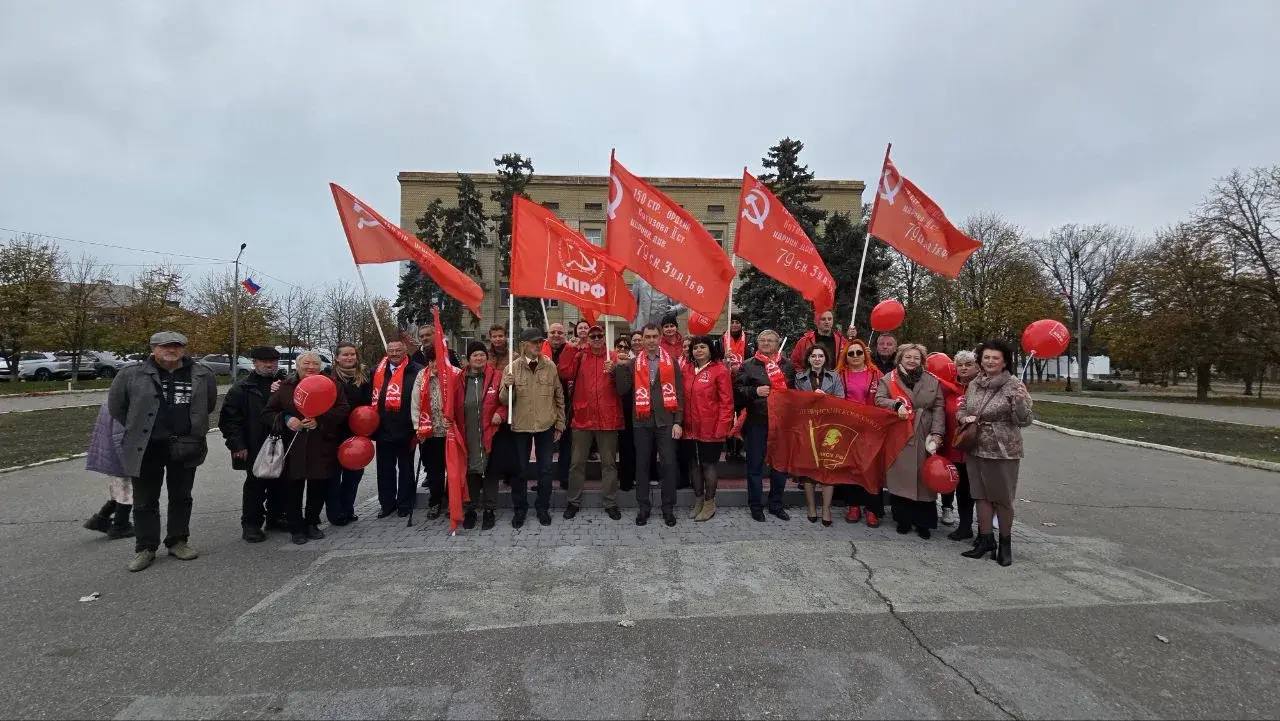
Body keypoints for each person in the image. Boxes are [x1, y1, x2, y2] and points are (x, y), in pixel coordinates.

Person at [108, 331, 218, 572]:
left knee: (182, 496)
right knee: (145, 500)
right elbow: (118, 407)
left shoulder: (202, 374)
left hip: (185, 445)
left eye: (177, 346)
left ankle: (178, 541)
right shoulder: (131, 374)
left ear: (184, 349)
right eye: (165, 346)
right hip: (146, 447)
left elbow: (208, 405)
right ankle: (145, 547)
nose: (171, 350)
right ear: (154, 348)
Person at [262, 351, 351, 544]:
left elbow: (343, 409)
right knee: (293, 488)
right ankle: (296, 527)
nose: (311, 368)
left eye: (315, 364)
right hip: (293, 447)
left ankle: (312, 523)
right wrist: (287, 419)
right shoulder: (286, 387)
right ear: (297, 366)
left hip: (321, 445)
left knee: (318, 487)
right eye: (306, 364)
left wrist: (320, 421)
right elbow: (268, 412)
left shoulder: (332, 386)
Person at [960, 339, 1033, 566]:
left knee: (1002, 499)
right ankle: (985, 540)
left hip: (1002, 451)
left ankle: (1005, 544)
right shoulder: (974, 383)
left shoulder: (1014, 385)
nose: (990, 361)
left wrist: (1020, 403)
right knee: (980, 496)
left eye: (995, 358)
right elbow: (964, 406)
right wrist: (963, 417)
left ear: (1004, 362)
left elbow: (1025, 420)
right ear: (980, 361)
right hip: (975, 447)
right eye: (986, 357)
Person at [558, 323, 629, 520]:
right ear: (587, 338)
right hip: (583, 418)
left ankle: (610, 502)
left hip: (608, 418)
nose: (597, 339)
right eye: (593, 336)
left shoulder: (613, 356)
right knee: (577, 463)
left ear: (604, 337)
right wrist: (570, 348)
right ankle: (573, 501)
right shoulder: (580, 355)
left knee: (609, 464)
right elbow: (564, 372)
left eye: (599, 336)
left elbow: (624, 388)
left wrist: (615, 370)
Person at [617, 323, 685, 527]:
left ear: (660, 338)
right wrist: (620, 368)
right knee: (642, 466)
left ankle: (668, 508)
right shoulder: (631, 363)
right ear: (642, 340)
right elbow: (622, 390)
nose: (651, 340)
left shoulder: (671, 362)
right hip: (641, 421)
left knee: (668, 464)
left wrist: (678, 421)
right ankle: (643, 507)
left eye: (655, 336)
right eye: (648, 337)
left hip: (666, 421)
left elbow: (680, 394)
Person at [875, 343, 945, 538]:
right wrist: (895, 404)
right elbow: (879, 399)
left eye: (916, 357)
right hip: (900, 433)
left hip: (924, 432)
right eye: (908, 357)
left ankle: (924, 522)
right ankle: (903, 519)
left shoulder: (932, 381)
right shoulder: (889, 379)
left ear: (922, 360)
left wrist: (938, 433)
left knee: (924, 479)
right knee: (901, 477)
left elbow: (939, 407)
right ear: (900, 358)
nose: (912, 361)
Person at [500, 327, 566, 528]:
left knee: (545, 470)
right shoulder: (511, 369)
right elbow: (504, 401)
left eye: (540, 342)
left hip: (546, 425)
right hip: (521, 426)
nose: (538, 345)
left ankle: (542, 507)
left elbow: (559, 396)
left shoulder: (550, 367)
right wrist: (506, 386)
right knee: (520, 470)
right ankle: (520, 509)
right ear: (523, 345)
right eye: (534, 342)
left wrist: (560, 423)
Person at [219, 346, 285, 543]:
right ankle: (251, 524)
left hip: (280, 442)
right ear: (254, 363)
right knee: (255, 486)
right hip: (254, 443)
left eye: (273, 361)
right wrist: (237, 445)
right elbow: (230, 420)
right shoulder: (242, 388)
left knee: (280, 482)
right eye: (264, 361)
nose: (269, 364)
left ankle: (276, 517)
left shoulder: (283, 383)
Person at [734, 329, 794, 522]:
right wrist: (754, 391)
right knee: (755, 466)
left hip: (782, 423)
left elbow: (795, 393)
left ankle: (776, 504)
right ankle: (756, 505)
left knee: (780, 466)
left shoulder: (788, 366)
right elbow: (737, 392)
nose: (766, 343)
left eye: (770, 341)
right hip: (756, 422)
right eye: (762, 340)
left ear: (777, 344)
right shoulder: (748, 365)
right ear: (757, 343)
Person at [449, 342, 508, 530]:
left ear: (486, 357)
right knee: (470, 473)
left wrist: (501, 413)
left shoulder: (497, 377)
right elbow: (450, 403)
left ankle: (489, 510)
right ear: (468, 358)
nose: (479, 358)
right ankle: (471, 509)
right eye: (475, 355)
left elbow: (506, 400)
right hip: (467, 434)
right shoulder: (459, 379)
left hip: (491, 433)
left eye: (482, 354)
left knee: (490, 472)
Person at [680, 335, 734, 522]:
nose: (698, 350)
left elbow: (727, 402)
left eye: (703, 347)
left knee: (708, 465)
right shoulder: (686, 368)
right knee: (693, 465)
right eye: (695, 347)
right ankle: (699, 500)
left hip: (711, 428)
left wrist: (722, 426)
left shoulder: (719, 370)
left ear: (711, 349)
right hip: (689, 428)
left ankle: (710, 503)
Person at [371, 339, 421, 519]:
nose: (394, 354)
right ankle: (387, 504)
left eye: (398, 350)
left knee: (406, 468)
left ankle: (405, 503)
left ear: (405, 351)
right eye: (390, 350)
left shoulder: (416, 371)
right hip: (383, 429)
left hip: (406, 429)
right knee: (385, 470)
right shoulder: (377, 371)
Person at [794, 346, 845, 526]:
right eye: (813, 356)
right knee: (809, 469)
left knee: (827, 467)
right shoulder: (799, 378)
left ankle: (826, 508)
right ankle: (811, 507)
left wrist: (826, 398)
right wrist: (810, 397)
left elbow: (841, 399)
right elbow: (795, 403)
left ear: (825, 358)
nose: (817, 359)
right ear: (808, 359)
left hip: (829, 427)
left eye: (820, 356)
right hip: (807, 427)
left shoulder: (835, 377)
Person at [837, 338, 885, 526]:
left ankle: (872, 508)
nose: (855, 356)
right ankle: (853, 505)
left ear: (865, 354)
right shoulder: (840, 375)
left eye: (859, 352)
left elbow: (884, 397)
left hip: (871, 428)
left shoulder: (876, 374)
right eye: (851, 353)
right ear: (846, 357)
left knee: (871, 468)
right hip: (849, 427)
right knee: (852, 467)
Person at [327, 342, 372, 527]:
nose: (349, 358)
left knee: (353, 475)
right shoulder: (328, 378)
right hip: (333, 434)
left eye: (352, 354)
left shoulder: (363, 378)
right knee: (333, 477)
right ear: (337, 358)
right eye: (345, 355)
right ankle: (335, 513)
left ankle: (348, 508)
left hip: (357, 435)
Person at [410, 347, 453, 519]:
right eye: (432, 360)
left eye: (440, 360)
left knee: (453, 471)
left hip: (450, 431)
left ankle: (452, 501)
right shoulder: (422, 376)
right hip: (430, 431)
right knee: (435, 472)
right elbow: (415, 403)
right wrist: (417, 427)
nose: (436, 364)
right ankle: (435, 502)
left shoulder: (453, 374)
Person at [82, 402, 134, 540]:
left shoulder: (112, 399)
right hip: (120, 455)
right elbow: (120, 436)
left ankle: (101, 519)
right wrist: (128, 462)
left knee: (118, 489)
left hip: (111, 453)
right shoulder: (122, 404)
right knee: (126, 490)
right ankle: (120, 526)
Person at [944, 350, 980, 540]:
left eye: (968, 364)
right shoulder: (949, 388)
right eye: (960, 365)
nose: (964, 368)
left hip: (972, 448)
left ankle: (968, 526)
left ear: (977, 367)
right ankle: (950, 513)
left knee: (968, 488)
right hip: (950, 445)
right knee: (953, 484)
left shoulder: (981, 388)